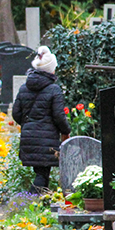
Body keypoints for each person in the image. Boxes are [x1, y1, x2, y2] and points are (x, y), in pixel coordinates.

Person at [11, 46, 71, 194]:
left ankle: (39, 203)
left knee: (40, 172)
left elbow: (16, 112)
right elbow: (58, 115)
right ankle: (32, 202)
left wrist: (28, 125)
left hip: (29, 137)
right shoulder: (54, 89)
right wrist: (66, 131)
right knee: (42, 174)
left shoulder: (25, 87)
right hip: (47, 138)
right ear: (51, 69)